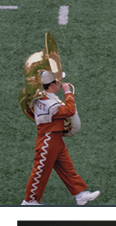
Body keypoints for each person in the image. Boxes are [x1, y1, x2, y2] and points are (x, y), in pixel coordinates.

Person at [22, 69, 100, 205]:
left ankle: (80, 195)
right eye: (59, 82)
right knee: (40, 171)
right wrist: (68, 92)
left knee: (67, 168)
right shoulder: (48, 103)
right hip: (48, 141)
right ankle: (29, 202)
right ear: (52, 85)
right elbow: (70, 110)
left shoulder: (45, 98)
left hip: (55, 139)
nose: (61, 83)